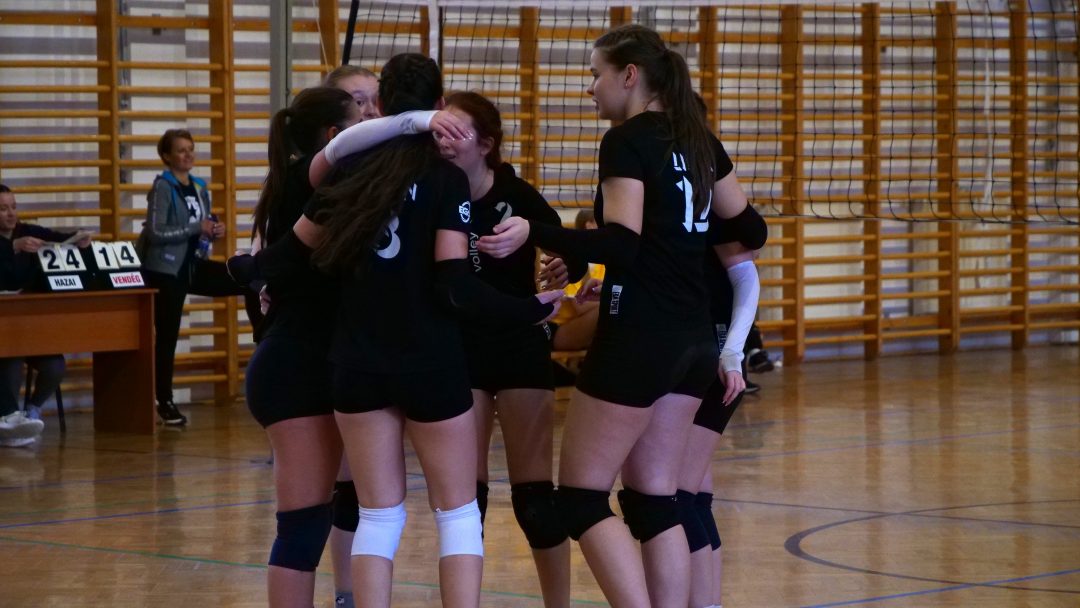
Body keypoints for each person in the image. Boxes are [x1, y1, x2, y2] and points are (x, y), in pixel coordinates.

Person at [229, 53, 556, 608]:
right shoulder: (446, 178)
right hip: (430, 361)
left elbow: (288, 254)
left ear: (380, 105)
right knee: (457, 514)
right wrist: (527, 309)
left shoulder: (347, 172)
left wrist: (247, 271)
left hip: (357, 365)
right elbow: (455, 285)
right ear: (439, 105)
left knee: (378, 515)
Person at [476, 25, 766, 607]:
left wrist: (538, 231)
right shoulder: (700, 141)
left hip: (639, 335)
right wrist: (686, 236)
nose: (591, 87)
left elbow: (623, 244)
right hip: (692, 340)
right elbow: (751, 229)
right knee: (655, 496)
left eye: (595, 74)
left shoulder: (626, 140)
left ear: (629, 75)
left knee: (581, 497)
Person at [242, 84, 471, 608]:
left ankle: (349, 597)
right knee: (304, 526)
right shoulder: (320, 176)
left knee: (359, 506)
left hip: (331, 362)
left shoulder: (351, 183)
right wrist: (420, 118)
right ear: (334, 134)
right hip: (297, 366)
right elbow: (270, 265)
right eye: (362, 107)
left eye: (375, 104)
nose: (372, 118)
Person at [437, 91, 585, 607]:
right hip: (461, 351)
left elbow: (568, 246)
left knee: (536, 503)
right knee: (467, 502)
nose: (442, 141)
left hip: (519, 346)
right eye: (438, 130)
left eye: (455, 131)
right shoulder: (433, 192)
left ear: (486, 144)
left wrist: (567, 267)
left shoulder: (516, 194)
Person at [137, 129, 260, 426]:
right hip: (165, 270)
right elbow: (155, 232)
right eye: (181, 150)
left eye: (190, 149)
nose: (188, 155)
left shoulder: (199, 186)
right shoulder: (163, 187)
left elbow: (202, 227)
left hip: (193, 265)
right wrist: (196, 228)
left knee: (248, 280)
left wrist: (215, 230)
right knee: (167, 336)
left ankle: (265, 344)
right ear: (167, 156)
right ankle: (164, 400)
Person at [0, 183, 88, 447]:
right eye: (3, 209)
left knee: (55, 365)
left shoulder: (28, 231)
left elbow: (58, 238)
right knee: (11, 356)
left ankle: (31, 411)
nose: (11, 214)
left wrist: (78, 238)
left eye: (13, 207)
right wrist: (13, 246)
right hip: (6, 332)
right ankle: (8, 418)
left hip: (28, 326)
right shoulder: (13, 241)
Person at [548, 209, 603, 353]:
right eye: (600, 223)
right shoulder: (575, 259)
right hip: (561, 328)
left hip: (587, 326)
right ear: (589, 225)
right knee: (612, 307)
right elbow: (580, 305)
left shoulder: (603, 262)